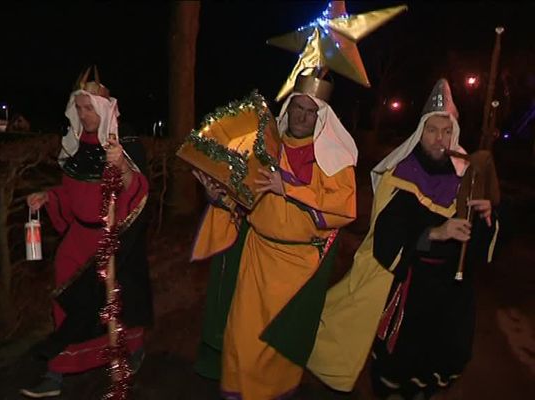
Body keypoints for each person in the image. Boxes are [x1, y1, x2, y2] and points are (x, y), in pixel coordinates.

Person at [307, 79, 499, 400]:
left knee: (441, 363)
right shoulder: (402, 174)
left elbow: (482, 247)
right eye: (432, 130)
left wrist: (487, 219)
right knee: (397, 368)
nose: (440, 139)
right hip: (410, 289)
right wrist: (436, 232)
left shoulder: (468, 177)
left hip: (450, 295)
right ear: (420, 133)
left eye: (446, 131)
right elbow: (388, 238)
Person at [191, 73, 358, 399]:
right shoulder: (265, 150)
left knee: (279, 347)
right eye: (297, 107)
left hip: (298, 267)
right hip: (256, 256)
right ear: (288, 108)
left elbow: (344, 207)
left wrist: (292, 189)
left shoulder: (333, 160)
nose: (301, 116)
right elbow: (242, 199)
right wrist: (216, 195)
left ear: (321, 117)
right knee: (242, 336)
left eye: (311, 112)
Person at [20, 67, 152, 398]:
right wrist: (49, 196)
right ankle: (58, 372)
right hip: (77, 241)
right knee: (67, 303)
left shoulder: (124, 141)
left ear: (105, 108)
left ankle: (130, 352)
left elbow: (138, 190)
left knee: (116, 303)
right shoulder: (76, 143)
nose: (83, 114)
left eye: (89, 107)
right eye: (78, 108)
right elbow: (73, 190)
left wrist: (121, 165)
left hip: (113, 240)